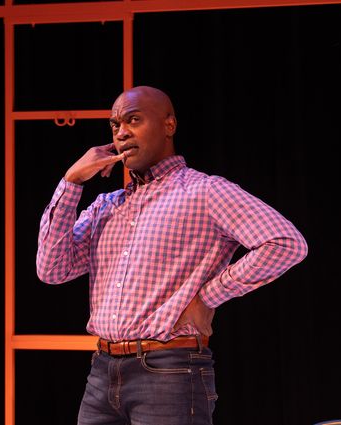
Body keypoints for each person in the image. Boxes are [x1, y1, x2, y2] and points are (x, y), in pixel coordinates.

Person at [36, 86, 308, 425]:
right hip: (102, 372)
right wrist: (71, 182)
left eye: (133, 120)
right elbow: (52, 269)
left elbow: (285, 243)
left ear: (169, 125)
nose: (121, 133)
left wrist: (208, 297)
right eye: (114, 125)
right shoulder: (106, 206)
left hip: (169, 371)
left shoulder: (204, 191)